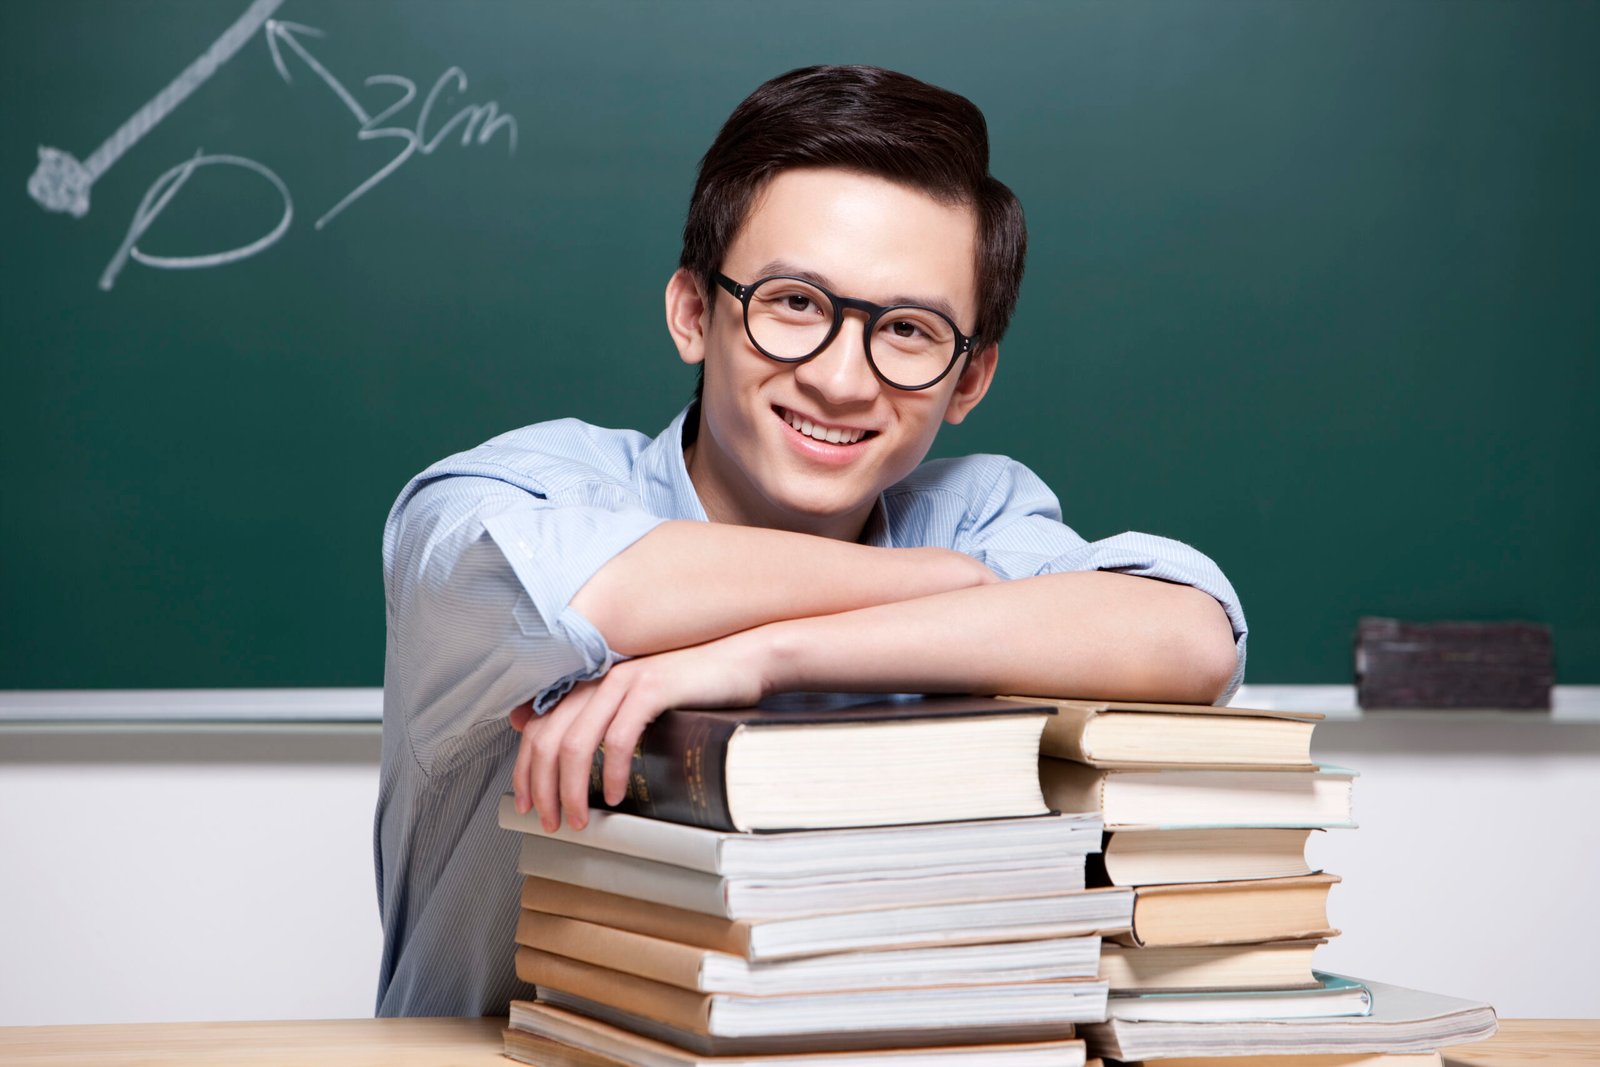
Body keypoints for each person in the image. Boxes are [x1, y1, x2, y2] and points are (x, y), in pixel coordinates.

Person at [374, 64, 1247, 1017]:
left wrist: (764, 657)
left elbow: (1191, 637)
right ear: (693, 313)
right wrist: (937, 582)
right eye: (794, 303)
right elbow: (603, 589)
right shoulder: (519, 489)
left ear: (970, 380)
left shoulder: (974, 509)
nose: (841, 378)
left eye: (909, 329)